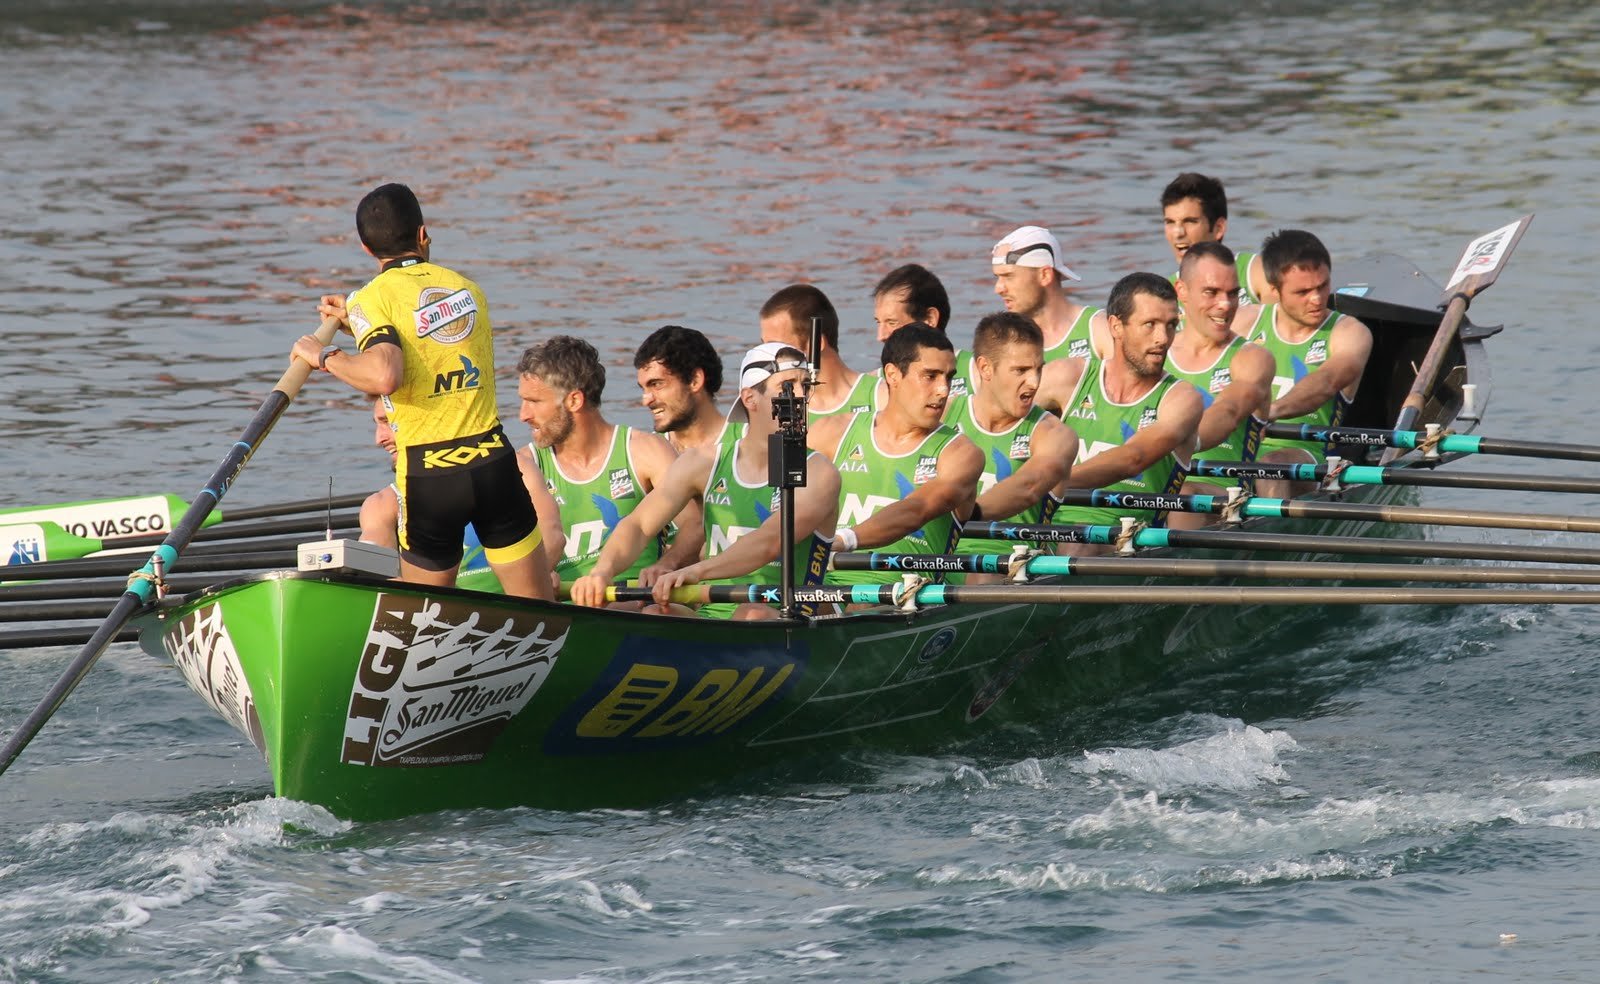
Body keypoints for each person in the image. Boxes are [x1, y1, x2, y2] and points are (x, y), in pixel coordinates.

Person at [292, 182, 554, 600]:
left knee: (427, 623)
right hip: (494, 465)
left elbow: (384, 376)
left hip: (431, 476)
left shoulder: (371, 296)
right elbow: (429, 340)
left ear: (366, 250)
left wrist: (323, 355)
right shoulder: (468, 289)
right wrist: (358, 325)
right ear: (422, 234)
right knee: (541, 610)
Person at [570, 343, 840, 619]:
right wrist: (602, 571)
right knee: (654, 613)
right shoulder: (703, 462)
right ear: (750, 398)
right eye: (786, 385)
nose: (799, 396)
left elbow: (769, 542)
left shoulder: (820, 472)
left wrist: (696, 570)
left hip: (788, 614)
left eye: (805, 385)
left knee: (751, 614)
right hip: (714, 611)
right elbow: (639, 525)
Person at [515, 336, 692, 596]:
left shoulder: (645, 452)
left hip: (635, 602)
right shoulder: (526, 466)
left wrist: (668, 564)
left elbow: (694, 524)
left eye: (534, 402)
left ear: (574, 401)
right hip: (562, 604)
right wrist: (536, 576)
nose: (523, 415)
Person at [1036, 273, 1203, 549]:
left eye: (1171, 325)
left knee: (1080, 543)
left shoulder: (1181, 399)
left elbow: (1132, 459)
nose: (1163, 338)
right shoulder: (1068, 377)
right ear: (1116, 326)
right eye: (1150, 325)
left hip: (1127, 542)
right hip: (1047, 531)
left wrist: (1036, 485)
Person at [809, 323, 984, 585]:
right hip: (826, 583)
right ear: (892, 374)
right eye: (930, 376)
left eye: (949, 377)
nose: (943, 390)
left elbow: (918, 509)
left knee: (860, 606)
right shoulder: (829, 433)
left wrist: (844, 540)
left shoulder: (961, 454)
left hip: (904, 591)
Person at [1238, 229, 1374, 497]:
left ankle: (1269, 535)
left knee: (1270, 465)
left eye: (1322, 286)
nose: (1316, 299)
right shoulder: (1243, 323)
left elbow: (1326, 381)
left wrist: (1271, 411)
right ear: (1274, 290)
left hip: (1306, 455)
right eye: (1302, 291)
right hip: (1236, 449)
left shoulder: (1349, 333)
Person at [944, 312, 1077, 575]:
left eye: (1039, 369)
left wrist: (962, 518)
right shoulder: (944, 416)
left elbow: (1028, 487)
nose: (1035, 382)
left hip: (1009, 563)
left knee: (978, 576)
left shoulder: (1054, 434)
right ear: (985, 368)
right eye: (1021, 371)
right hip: (939, 556)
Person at [1165, 242, 1275, 528]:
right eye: (1211, 293)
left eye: (1232, 293)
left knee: (1182, 494)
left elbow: (1226, 412)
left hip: (1225, 496)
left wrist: (1156, 449)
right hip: (1151, 490)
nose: (1225, 305)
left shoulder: (1252, 358)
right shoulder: (1156, 353)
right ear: (1181, 291)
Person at [991, 224, 1109, 363]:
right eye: (997, 277)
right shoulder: (1001, 344)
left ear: (1045, 275)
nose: (998, 288)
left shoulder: (1099, 330)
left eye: (1009, 276)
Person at [758, 284, 875, 420]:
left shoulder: (881, 396)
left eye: (775, 346)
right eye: (764, 346)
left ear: (816, 344)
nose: (766, 357)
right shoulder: (771, 413)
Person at [1159, 172, 1274, 305]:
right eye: (1170, 222)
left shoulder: (1254, 271)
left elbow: (1278, 320)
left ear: (1218, 228)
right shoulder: (1167, 294)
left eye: (1190, 221)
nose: (1177, 233)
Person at [872, 264, 977, 401]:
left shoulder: (980, 372)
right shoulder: (873, 385)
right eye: (878, 322)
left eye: (892, 323)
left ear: (929, 319)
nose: (881, 336)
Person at [633, 325, 730, 452]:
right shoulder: (645, 454)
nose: (646, 401)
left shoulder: (752, 445)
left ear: (694, 380)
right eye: (644, 388)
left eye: (656, 384)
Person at [358, 397, 400, 549]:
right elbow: (375, 572)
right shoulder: (382, 506)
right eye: (377, 424)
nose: (379, 439)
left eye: (387, 421)